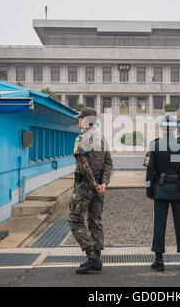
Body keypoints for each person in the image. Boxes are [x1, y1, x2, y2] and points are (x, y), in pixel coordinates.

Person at [144, 115, 180, 272]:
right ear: (175, 129)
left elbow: (150, 171)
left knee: (159, 224)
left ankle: (159, 261)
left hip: (161, 190)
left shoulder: (154, 145)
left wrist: (150, 191)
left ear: (162, 129)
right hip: (179, 190)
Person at [68, 107, 113, 274]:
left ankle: (91, 255)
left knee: (75, 219)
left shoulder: (80, 139)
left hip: (85, 187)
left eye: (80, 118)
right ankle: (97, 258)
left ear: (86, 120)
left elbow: (84, 166)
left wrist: (94, 184)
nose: (78, 121)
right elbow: (109, 163)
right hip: (99, 187)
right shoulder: (103, 139)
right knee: (95, 219)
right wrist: (103, 183)